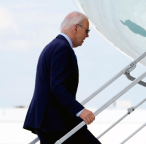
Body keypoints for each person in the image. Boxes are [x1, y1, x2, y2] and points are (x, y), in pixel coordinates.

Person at [23, 11, 101, 144]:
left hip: (44, 119)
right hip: (55, 120)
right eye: (87, 31)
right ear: (76, 28)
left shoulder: (52, 46)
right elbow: (57, 86)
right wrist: (80, 111)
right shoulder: (62, 48)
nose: (87, 36)